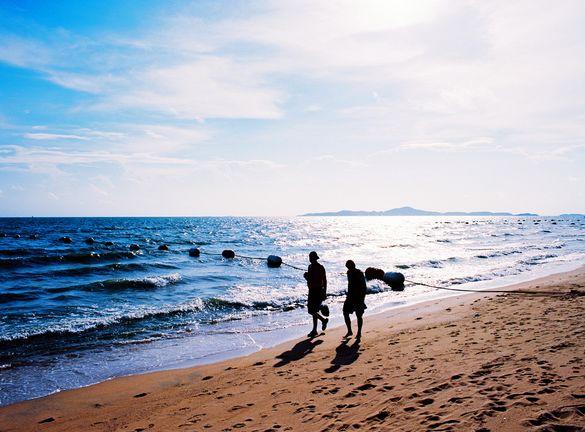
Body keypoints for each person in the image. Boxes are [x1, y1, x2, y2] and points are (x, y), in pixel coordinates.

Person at [304, 251, 328, 338]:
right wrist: (306, 277)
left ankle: (315, 330)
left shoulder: (320, 267)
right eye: (309, 257)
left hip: (318, 290)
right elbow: (310, 279)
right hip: (311, 290)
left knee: (313, 310)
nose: (310, 259)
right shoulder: (310, 267)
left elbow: (324, 280)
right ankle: (322, 321)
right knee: (312, 310)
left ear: (314, 258)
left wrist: (324, 292)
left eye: (311, 257)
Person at [343, 260, 367, 341]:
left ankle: (359, 333)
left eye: (349, 267)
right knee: (345, 312)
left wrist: (362, 299)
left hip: (358, 297)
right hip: (350, 297)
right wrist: (348, 295)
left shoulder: (359, 273)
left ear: (353, 266)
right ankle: (349, 331)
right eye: (348, 267)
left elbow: (364, 287)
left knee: (359, 316)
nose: (349, 268)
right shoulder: (348, 272)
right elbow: (349, 284)